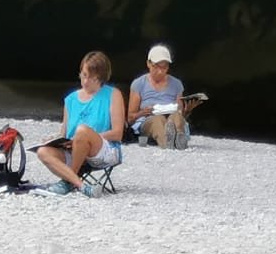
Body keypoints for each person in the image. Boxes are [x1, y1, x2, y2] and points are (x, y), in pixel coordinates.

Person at [35, 51, 125, 198]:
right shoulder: (70, 100)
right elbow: (64, 134)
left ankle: (68, 181)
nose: (86, 81)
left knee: (82, 131)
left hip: (103, 149)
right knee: (42, 151)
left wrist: (82, 138)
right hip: (74, 151)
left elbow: (117, 133)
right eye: (83, 75)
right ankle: (81, 185)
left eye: (92, 78)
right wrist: (53, 140)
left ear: (101, 78)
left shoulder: (113, 94)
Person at [127, 44, 203, 149]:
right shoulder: (139, 83)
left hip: (172, 118)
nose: (160, 71)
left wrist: (187, 110)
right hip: (149, 119)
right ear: (148, 64)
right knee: (158, 119)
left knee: (176, 117)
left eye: (164, 67)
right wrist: (143, 112)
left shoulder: (177, 84)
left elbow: (181, 115)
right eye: (156, 67)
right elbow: (130, 118)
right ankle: (168, 142)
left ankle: (179, 139)